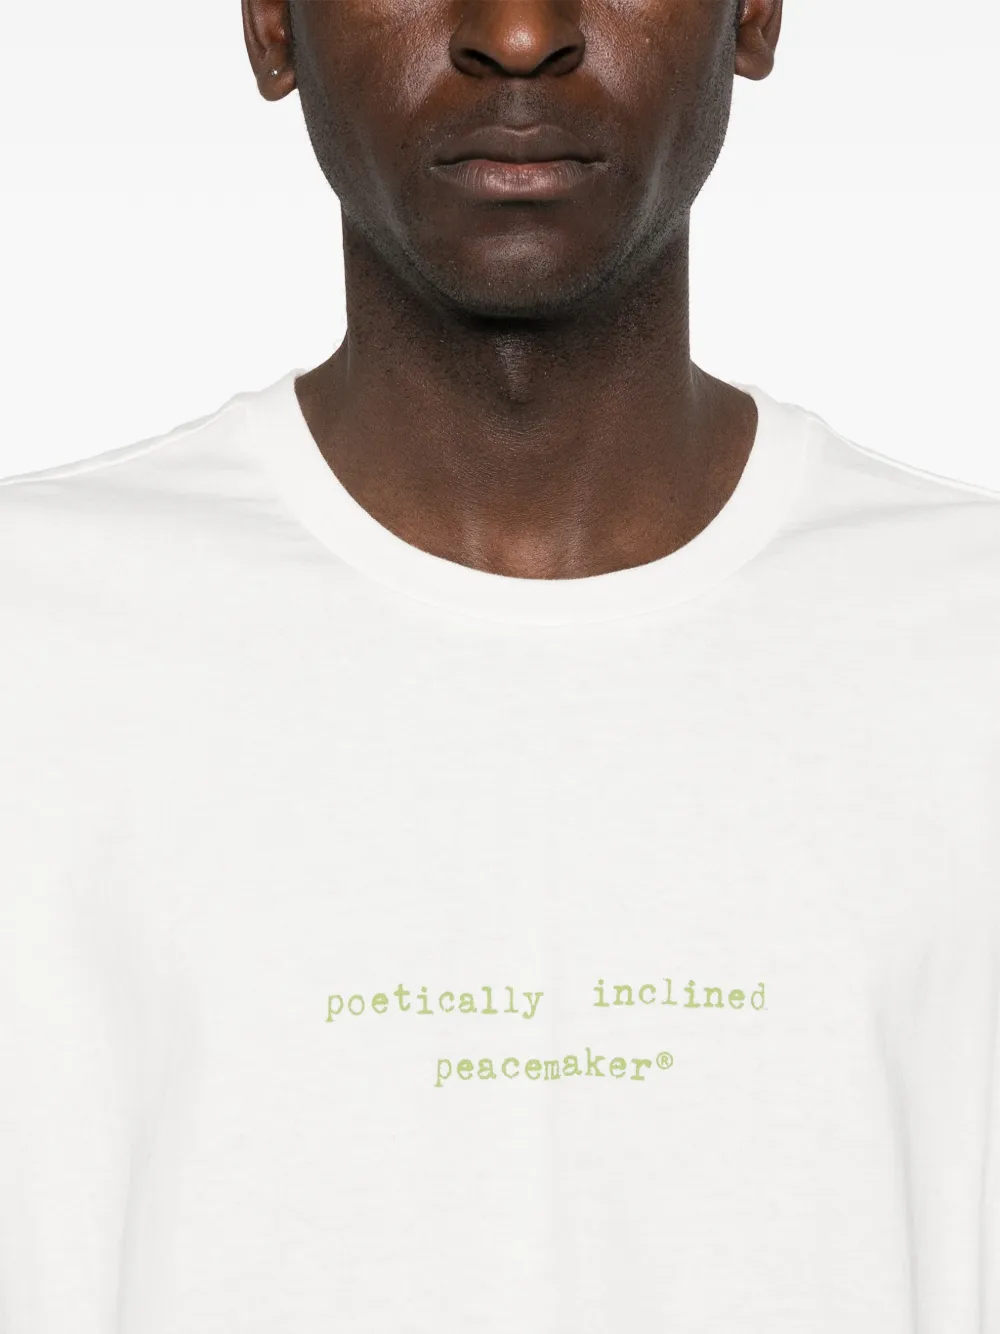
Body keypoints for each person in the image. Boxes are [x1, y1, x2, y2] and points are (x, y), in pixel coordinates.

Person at [0, 1, 997, 1330]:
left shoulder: (971, 638)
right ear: (272, 27)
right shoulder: (31, 633)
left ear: (752, 15)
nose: (520, 33)